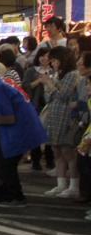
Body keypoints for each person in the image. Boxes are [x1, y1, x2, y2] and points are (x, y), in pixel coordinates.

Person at [0, 56, 46, 208]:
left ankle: (15, 197)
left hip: (18, 129)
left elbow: (8, 117)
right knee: (7, 164)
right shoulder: (2, 81)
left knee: (6, 165)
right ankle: (13, 195)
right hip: (28, 125)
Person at [39, 46, 83, 198]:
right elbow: (49, 97)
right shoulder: (58, 74)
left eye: (54, 60)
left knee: (68, 151)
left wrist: (50, 85)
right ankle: (61, 184)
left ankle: (74, 186)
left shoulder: (72, 74)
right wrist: (49, 85)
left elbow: (64, 96)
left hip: (67, 116)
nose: (52, 63)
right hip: (54, 115)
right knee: (56, 150)